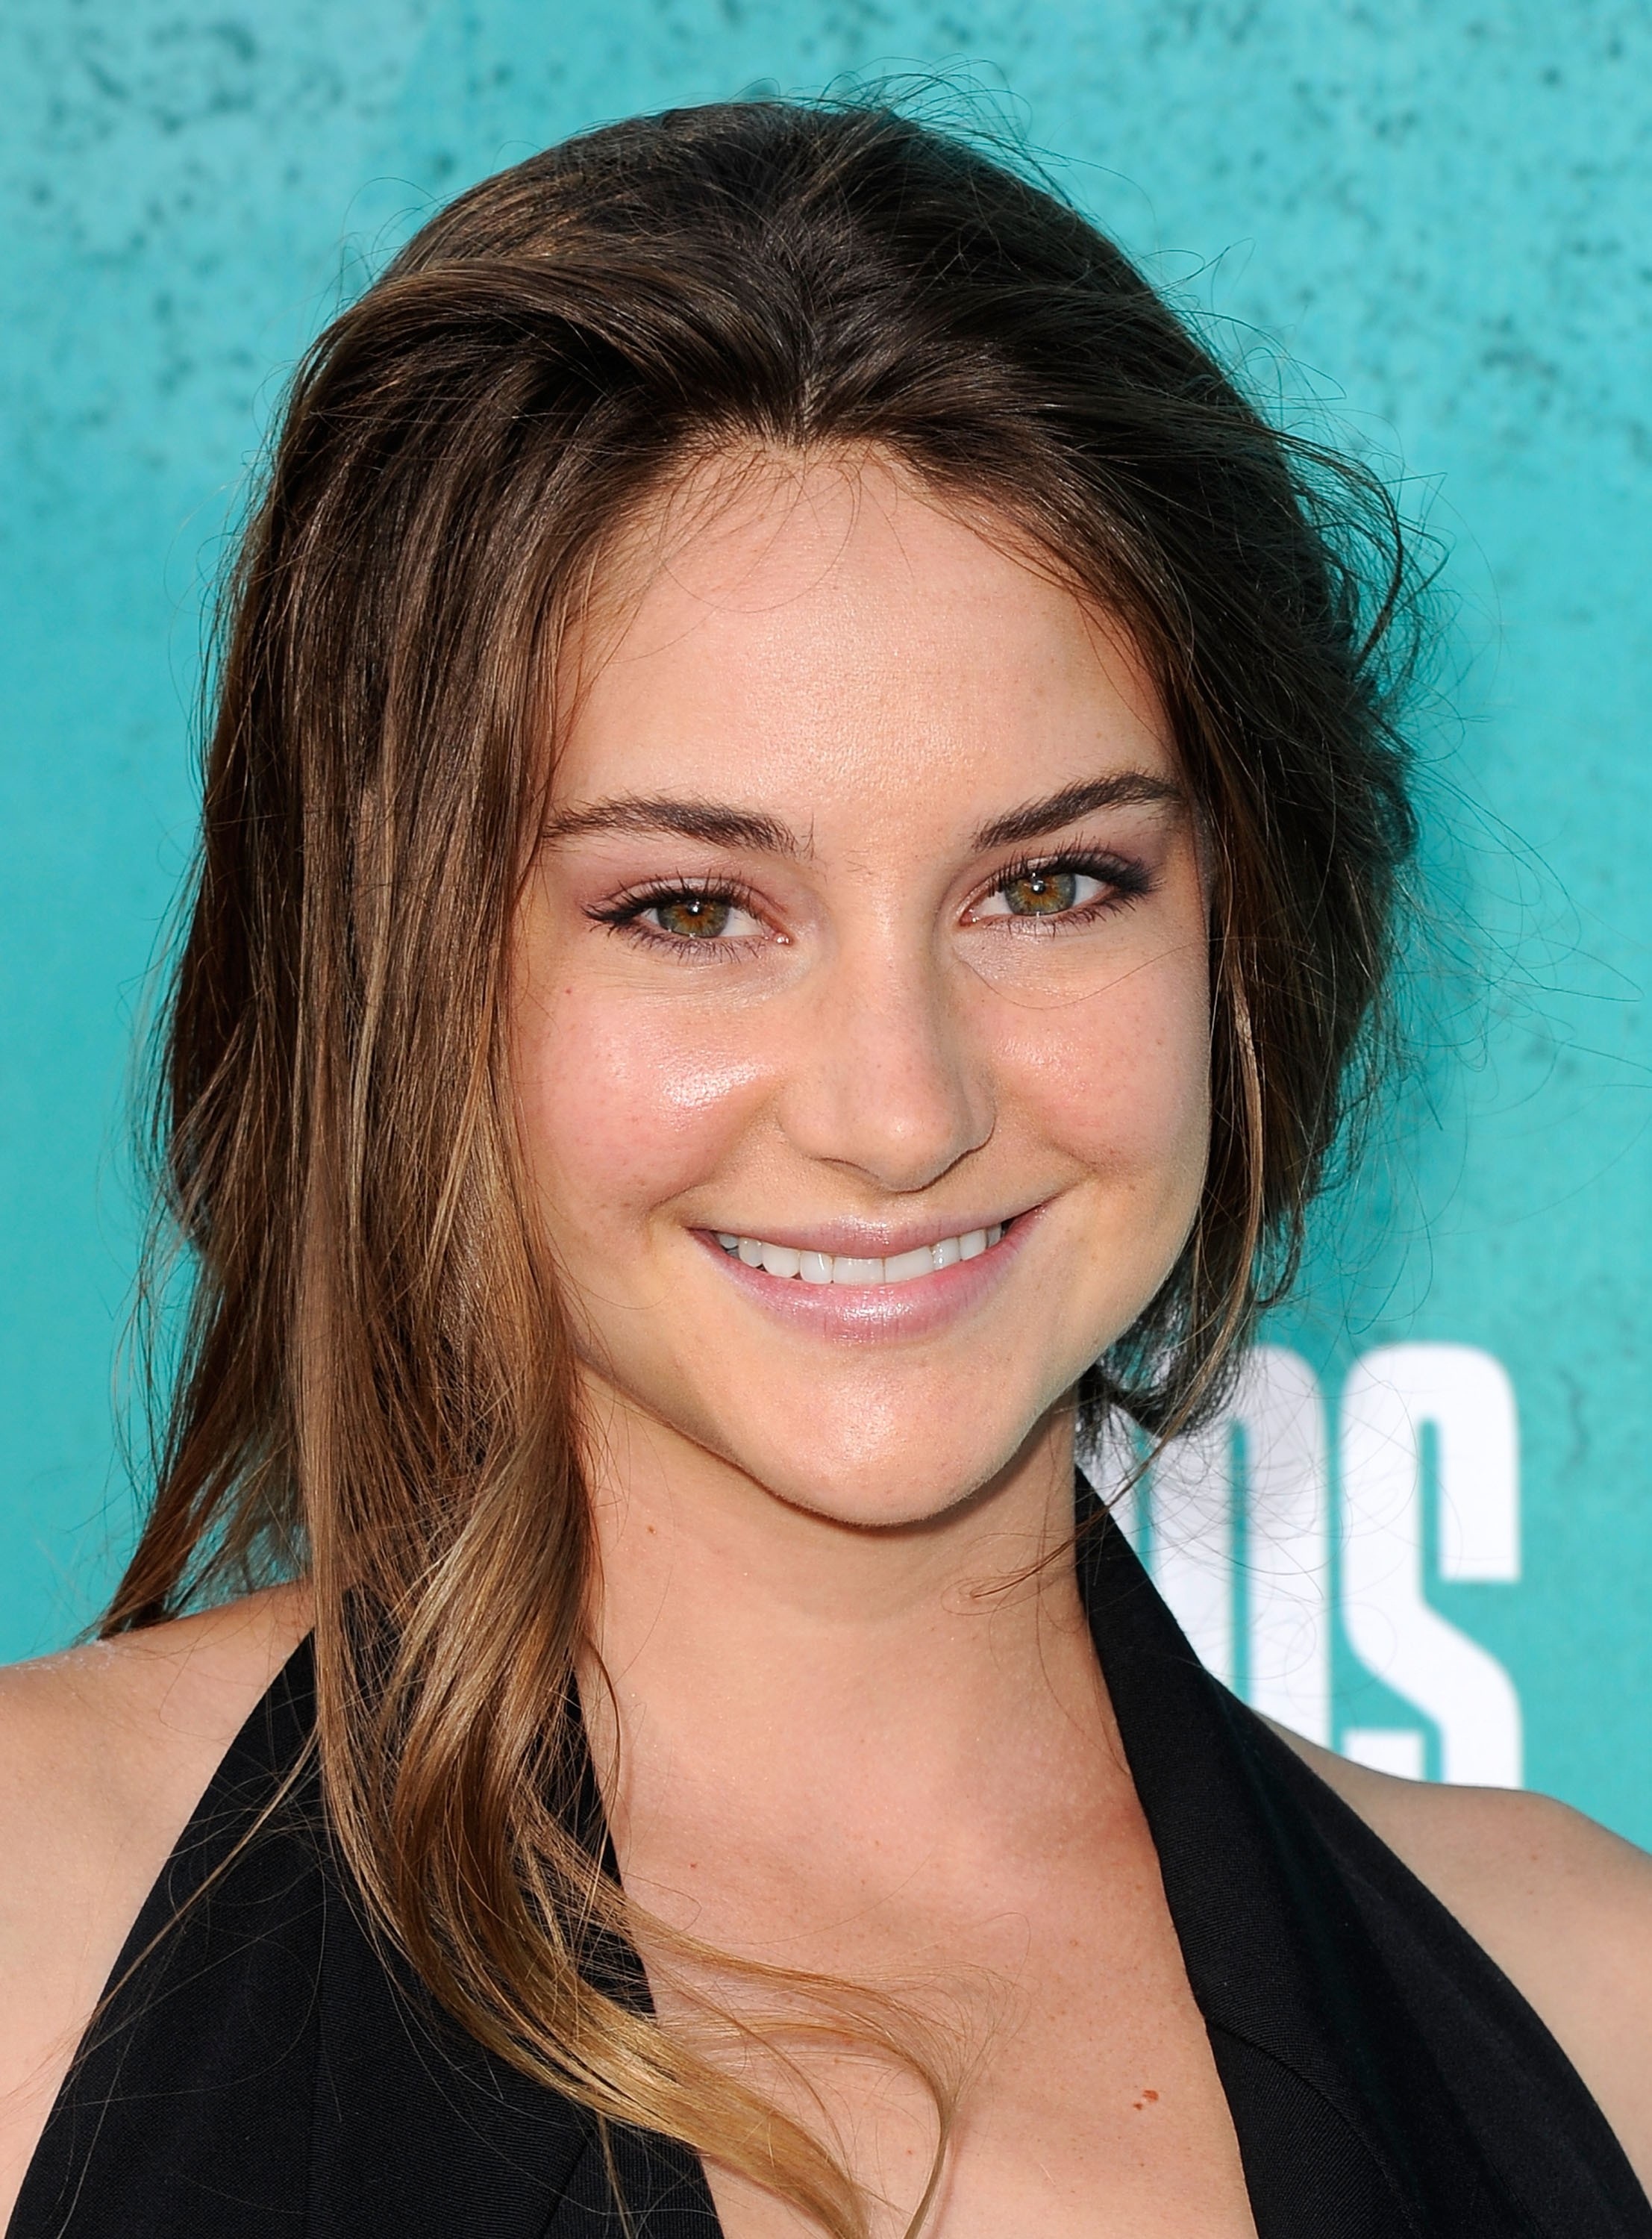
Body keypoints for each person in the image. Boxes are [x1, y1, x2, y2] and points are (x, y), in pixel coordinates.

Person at [0, 96, 1649, 2239]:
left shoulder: (1594, 2015)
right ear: (404, 973)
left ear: (1238, 942)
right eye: (693, 908)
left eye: (1051, 884)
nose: (899, 1106)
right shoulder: (38, 1927)